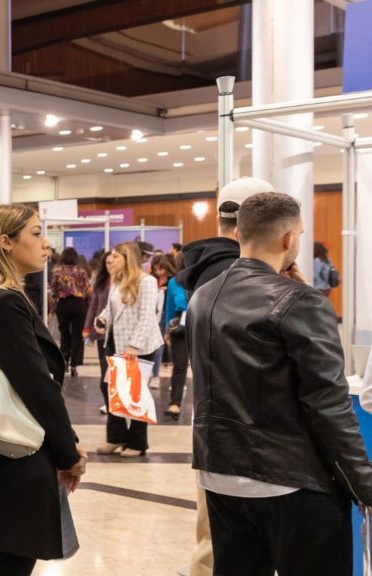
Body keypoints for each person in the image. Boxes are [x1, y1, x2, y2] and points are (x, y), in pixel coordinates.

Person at [190, 191, 372, 574]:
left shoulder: (203, 296)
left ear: (238, 233)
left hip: (220, 475)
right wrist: (364, 484)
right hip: (291, 482)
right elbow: (328, 405)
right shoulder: (300, 301)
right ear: (289, 238)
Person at [0, 204, 86, 576]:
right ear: (5, 242)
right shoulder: (5, 302)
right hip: (13, 458)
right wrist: (68, 453)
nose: (45, 244)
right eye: (36, 234)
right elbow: (38, 387)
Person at [175, 176, 274, 576]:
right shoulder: (233, 275)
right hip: (240, 424)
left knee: (215, 536)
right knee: (220, 542)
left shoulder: (207, 271)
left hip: (215, 420)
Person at [95, 242, 163, 458]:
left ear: (128, 258)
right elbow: (111, 308)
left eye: (116, 256)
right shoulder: (117, 279)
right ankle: (116, 437)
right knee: (109, 388)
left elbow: (147, 316)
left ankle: (137, 442)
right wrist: (102, 319)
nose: (111, 259)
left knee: (136, 393)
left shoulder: (147, 281)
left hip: (139, 346)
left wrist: (135, 345)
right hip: (115, 342)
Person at [50, 247, 90, 378]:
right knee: (78, 335)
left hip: (64, 304)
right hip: (79, 304)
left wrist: (52, 308)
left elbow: (54, 291)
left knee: (64, 333)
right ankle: (74, 365)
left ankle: (64, 361)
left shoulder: (57, 271)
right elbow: (88, 289)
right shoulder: (81, 271)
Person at [84, 250, 113, 414]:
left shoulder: (125, 283)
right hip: (101, 332)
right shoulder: (101, 284)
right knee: (104, 372)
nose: (111, 265)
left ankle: (115, 404)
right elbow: (93, 306)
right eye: (107, 263)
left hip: (120, 335)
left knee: (115, 372)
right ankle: (108, 403)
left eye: (113, 261)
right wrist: (87, 327)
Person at [163, 255, 188, 420]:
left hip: (202, 321)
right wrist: (167, 330)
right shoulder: (174, 282)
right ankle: (175, 404)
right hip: (180, 325)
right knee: (179, 366)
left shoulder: (205, 279)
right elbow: (170, 308)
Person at [147, 254, 174, 389]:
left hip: (165, 315)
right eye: (156, 269)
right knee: (150, 346)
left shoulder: (172, 280)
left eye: (161, 269)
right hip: (151, 314)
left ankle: (156, 376)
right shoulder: (150, 279)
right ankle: (149, 373)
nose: (158, 272)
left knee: (159, 346)